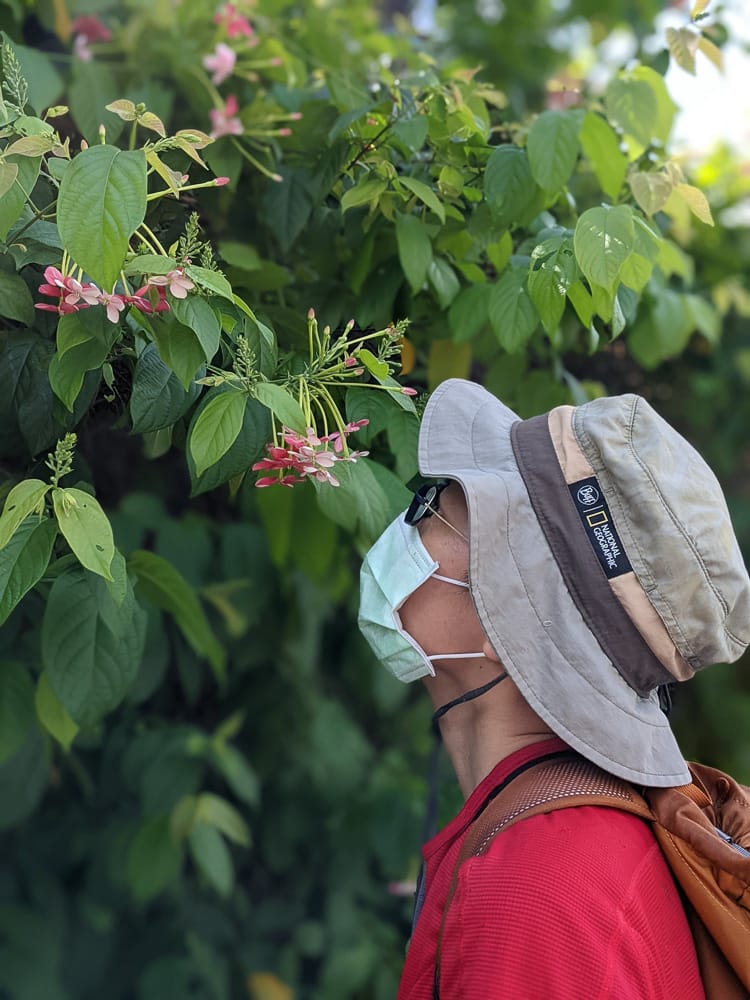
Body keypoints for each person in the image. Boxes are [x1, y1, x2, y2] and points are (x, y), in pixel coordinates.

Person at [358, 378, 750, 1000]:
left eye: (433, 503)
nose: (406, 523)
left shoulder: (537, 894)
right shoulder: (565, 845)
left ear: (506, 609)